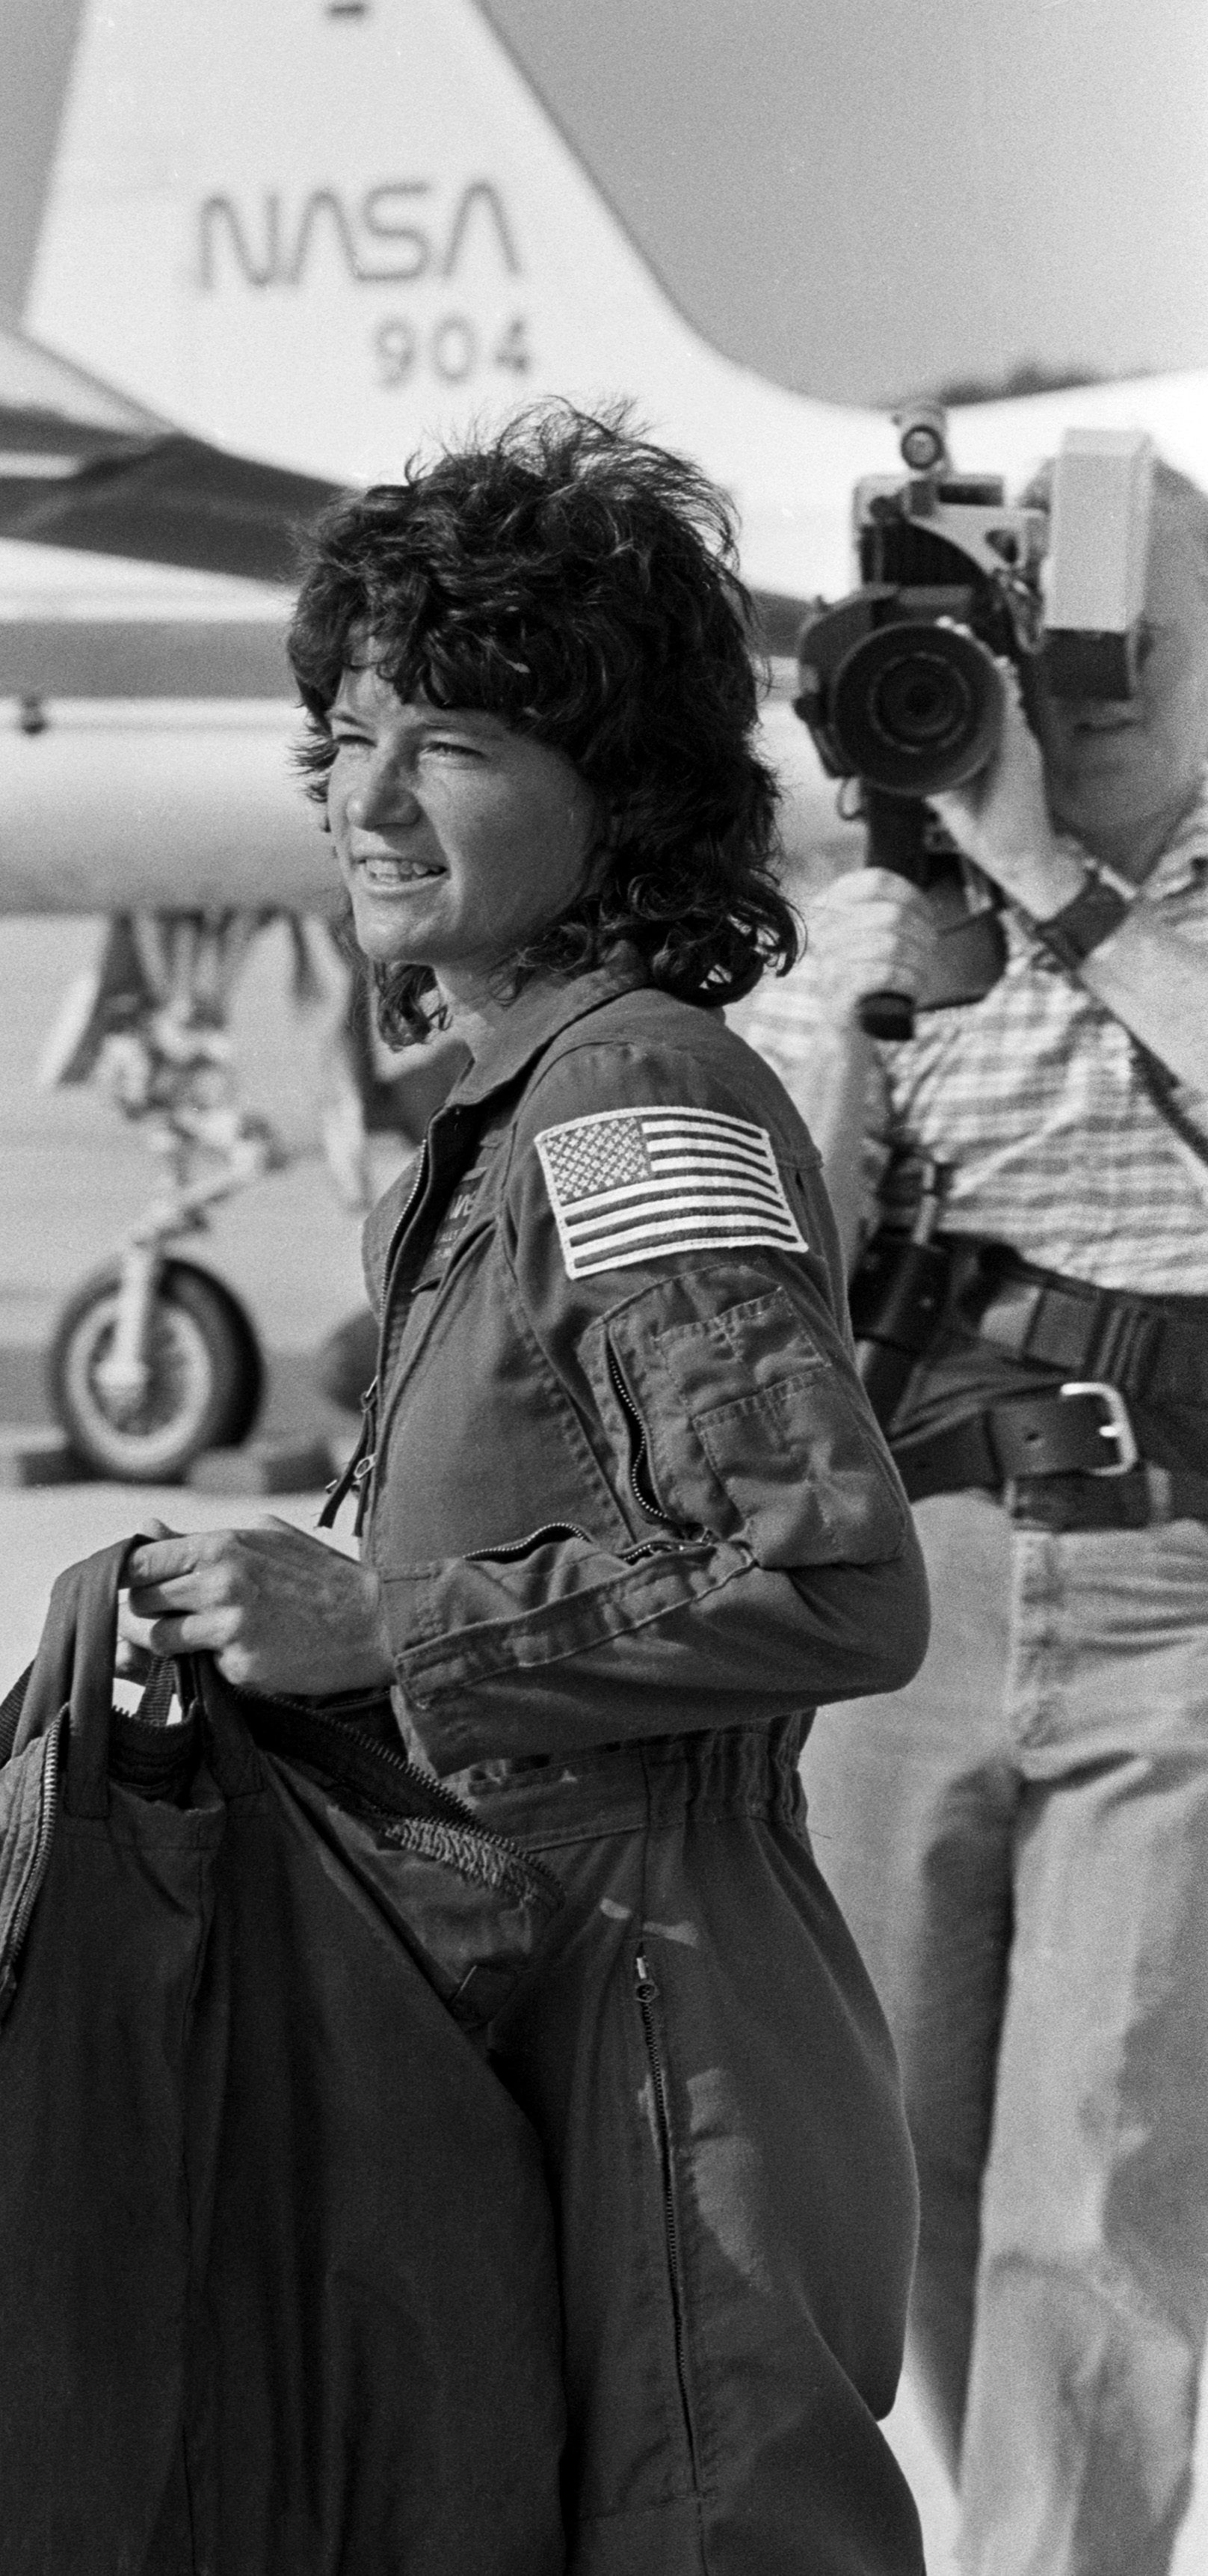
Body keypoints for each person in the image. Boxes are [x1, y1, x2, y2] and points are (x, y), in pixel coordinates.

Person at [122, 405, 932, 2576]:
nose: (370, 802)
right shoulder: (509, 1100)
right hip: (535, 1994)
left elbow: (831, 1578)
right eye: (352, 735)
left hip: (671, 2040)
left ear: (626, 794)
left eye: (455, 742)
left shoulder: (633, 1095)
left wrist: (379, 1627)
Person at [733, 458, 1208, 2576]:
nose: (1088, 709)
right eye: (1060, 667)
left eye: (1141, 664)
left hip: (1181, 1601)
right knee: (889, 2173)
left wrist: (1060, 885)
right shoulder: (884, 929)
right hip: (911, 1595)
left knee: (1094, 2206)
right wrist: (846, 1008)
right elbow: (765, 1288)